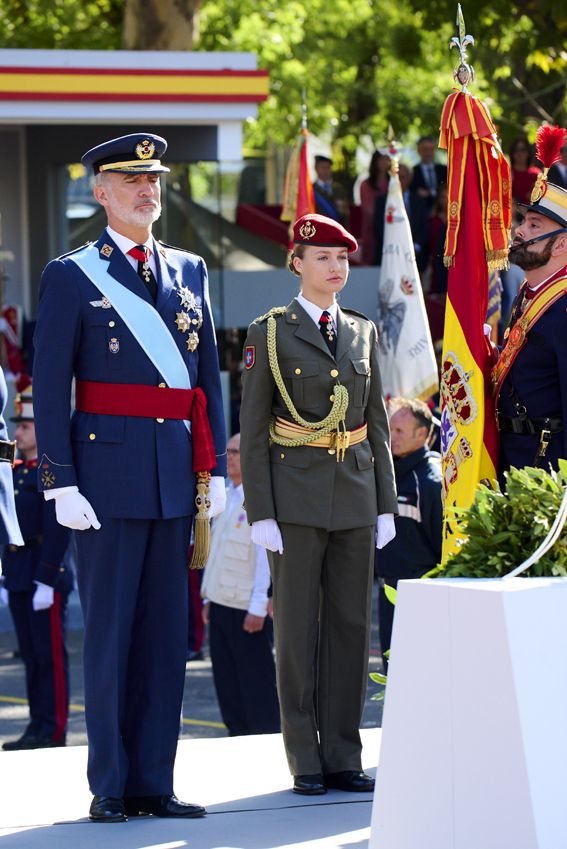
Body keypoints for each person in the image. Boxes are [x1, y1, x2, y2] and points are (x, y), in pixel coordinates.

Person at [32, 132, 227, 823]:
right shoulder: (72, 272)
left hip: (174, 476)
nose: (147, 191)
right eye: (131, 180)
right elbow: (50, 386)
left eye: (154, 179)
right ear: (101, 192)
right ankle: (111, 782)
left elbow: (207, 378)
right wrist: (59, 481)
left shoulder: (192, 270)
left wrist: (215, 470)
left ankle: (154, 780)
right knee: (111, 636)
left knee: (164, 637)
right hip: (104, 479)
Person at [240, 213, 398, 796]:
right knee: (299, 633)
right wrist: (261, 512)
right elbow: (254, 428)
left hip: (355, 494)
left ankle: (343, 754)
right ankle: (304, 757)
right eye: (324, 258)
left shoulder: (361, 331)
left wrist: (384, 501)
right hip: (296, 499)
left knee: (352, 629)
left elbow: (376, 424)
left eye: (342, 258)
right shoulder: (270, 332)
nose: (336, 268)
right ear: (297, 264)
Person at [1, 381, 72, 751]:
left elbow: (57, 528)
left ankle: (54, 728)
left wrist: (48, 577)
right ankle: (36, 725)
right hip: (18, 572)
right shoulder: (17, 470)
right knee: (30, 655)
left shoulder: (50, 470)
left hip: (44, 573)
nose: (17, 432)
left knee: (51, 658)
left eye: (25, 425)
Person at [491, 130, 567, 477]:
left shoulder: (562, 308)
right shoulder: (528, 291)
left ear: (562, 245)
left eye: (534, 224)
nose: (519, 230)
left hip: (547, 473)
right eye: (523, 220)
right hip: (516, 461)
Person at [201, 432, 280, 736]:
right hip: (222, 602)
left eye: (235, 451)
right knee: (227, 683)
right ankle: (236, 735)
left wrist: (259, 604)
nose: (229, 457)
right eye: (228, 452)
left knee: (256, 685)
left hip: (247, 608)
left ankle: (264, 740)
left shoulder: (259, 499)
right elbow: (216, 552)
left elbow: (264, 558)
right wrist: (208, 598)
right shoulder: (227, 496)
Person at [375, 398, 442, 670]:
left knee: (419, 672)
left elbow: (441, 548)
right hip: (387, 591)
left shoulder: (429, 483)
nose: (392, 437)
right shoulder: (384, 474)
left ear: (423, 434)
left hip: (421, 595)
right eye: (391, 429)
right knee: (391, 672)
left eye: (400, 431)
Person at [374, 163, 429, 272]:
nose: (398, 181)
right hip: (389, 255)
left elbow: (424, 227)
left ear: (409, 179)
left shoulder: (418, 201)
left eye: (402, 178)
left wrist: (415, 246)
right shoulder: (382, 201)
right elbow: (379, 227)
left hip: (415, 257)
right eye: (395, 177)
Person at [359, 150, 390, 265]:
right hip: (372, 230)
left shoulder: (394, 182)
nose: (384, 162)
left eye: (386, 159)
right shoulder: (365, 184)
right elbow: (368, 209)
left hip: (391, 227)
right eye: (381, 159)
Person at [409, 136, 447, 212]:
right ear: (418, 151)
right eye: (425, 149)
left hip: (442, 214)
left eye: (431, 149)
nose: (428, 153)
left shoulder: (444, 170)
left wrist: (429, 193)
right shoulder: (412, 172)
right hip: (421, 212)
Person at [312, 155, 348, 224]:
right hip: (319, 230)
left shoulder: (339, 188)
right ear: (316, 169)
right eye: (322, 168)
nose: (325, 171)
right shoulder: (311, 190)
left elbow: (345, 215)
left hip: (337, 229)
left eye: (328, 168)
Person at [508, 136, 541, 204]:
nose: (519, 153)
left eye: (523, 150)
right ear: (512, 153)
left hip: (532, 212)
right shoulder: (506, 173)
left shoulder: (537, 174)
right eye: (516, 150)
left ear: (528, 152)